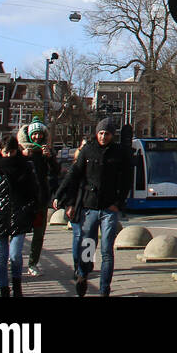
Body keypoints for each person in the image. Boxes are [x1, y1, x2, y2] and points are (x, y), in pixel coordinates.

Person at [54, 117, 132, 297]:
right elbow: (73, 174)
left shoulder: (119, 153)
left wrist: (119, 203)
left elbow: (127, 179)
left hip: (109, 208)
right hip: (90, 206)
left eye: (107, 134)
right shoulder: (88, 151)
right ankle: (83, 274)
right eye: (101, 133)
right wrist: (60, 195)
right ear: (97, 133)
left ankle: (105, 289)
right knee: (88, 244)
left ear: (113, 135)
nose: (104, 137)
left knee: (107, 250)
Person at [0, 135, 38, 297]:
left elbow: (33, 191)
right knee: (1, 257)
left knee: (15, 254)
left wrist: (28, 210)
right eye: (6, 152)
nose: (9, 155)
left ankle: (17, 286)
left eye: (12, 152)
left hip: (19, 214)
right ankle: (4, 289)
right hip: (0, 216)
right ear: (0, 151)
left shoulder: (25, 167)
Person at [19, 122, 56, 277]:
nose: (37, 137)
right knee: (19, 232)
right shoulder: (21, 151)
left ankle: (33, 263)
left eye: (40, 134)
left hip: (40, 199)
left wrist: (50, 158)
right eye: (34, 134)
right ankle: (15, 259)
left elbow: (55, 172)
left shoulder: (46, 152)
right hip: (23, 199)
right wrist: (23, 156)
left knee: (39, 233)